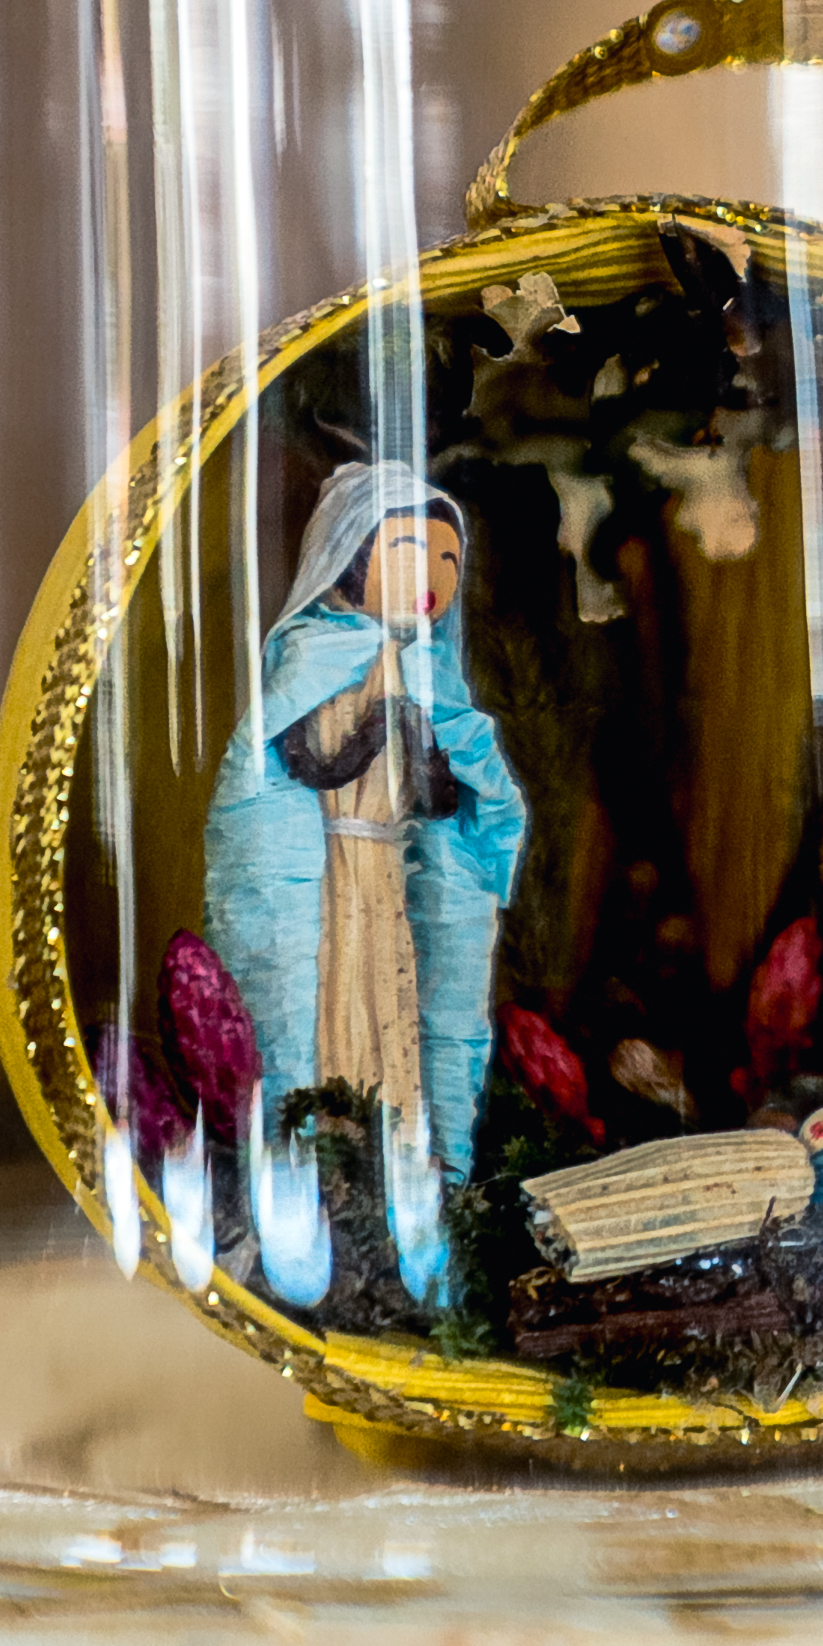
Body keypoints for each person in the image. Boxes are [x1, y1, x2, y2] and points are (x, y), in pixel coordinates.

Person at [205, 462, 526, 1313]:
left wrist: (443, 770)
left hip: (386, 868)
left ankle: (402, 1161)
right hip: (335, 869)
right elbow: (303, 756)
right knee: (339, 997)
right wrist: (385, 728)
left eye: (449, 560)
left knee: (395, 1004)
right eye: (412, 551)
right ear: (352, 555)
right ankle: (335, 1150)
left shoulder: (419, 670)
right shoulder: (318, 654)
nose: (435, 579)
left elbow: (438, 793)